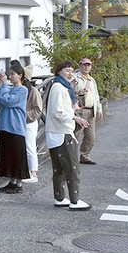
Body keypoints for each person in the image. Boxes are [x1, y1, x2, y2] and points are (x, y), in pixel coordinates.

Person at [44, 60, 92, 210]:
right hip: (62, 132)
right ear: (59, 72)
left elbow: (61, 108)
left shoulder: (62, 86)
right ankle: (75, 200)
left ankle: (59, 197)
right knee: (72, 168)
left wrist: (74, 108)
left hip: (55, 132)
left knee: (59, 168)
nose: (70, 73)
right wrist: (74, 117)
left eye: (72, 70)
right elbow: (57, 111)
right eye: (67, 70)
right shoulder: (59, 88)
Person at [0, 61, 30, 193]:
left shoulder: (22, 90)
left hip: (16, 127)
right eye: (9, 74)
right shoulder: (8, 88)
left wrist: (4, 87)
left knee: (17, 156)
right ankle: (12, 181)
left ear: (20, 75)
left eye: (13, 74)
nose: (10, 76)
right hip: (5, 126)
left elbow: (8, 101)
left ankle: (19, 184)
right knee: (8, 156)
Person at [72, 58, 104, 165]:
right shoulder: (75, 77)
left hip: (91, 110)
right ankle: (71, 157)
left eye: (88, 65)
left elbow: (96, 96)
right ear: (80, 65)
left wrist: (99, 109)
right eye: (84, 65)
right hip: (80, 111)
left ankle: (84, 156)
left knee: (91, 137)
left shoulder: (92, 80)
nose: (86, 67)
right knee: (76, 135)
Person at [21, 62, 43, 183]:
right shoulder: (19, 89)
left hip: (29, 123)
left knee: (30, 147)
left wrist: (25, 115)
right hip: (19, 123)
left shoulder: (33, 91)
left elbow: (38, 109)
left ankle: (33, 173)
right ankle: (26, 171)